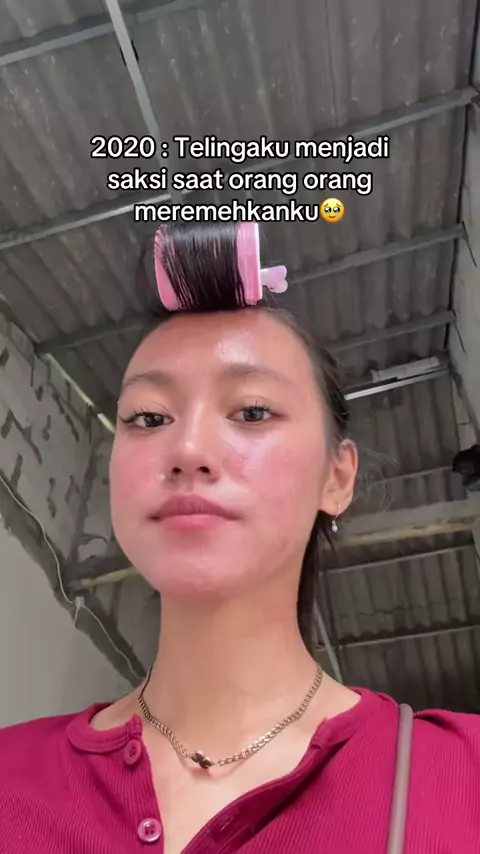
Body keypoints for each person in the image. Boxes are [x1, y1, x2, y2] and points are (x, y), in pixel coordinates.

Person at [1, 222, 479, 854]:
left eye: (253, 411)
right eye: (149, 417)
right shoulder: (9, 778)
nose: (188, 449)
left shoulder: (460, 777)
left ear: (337, 477)